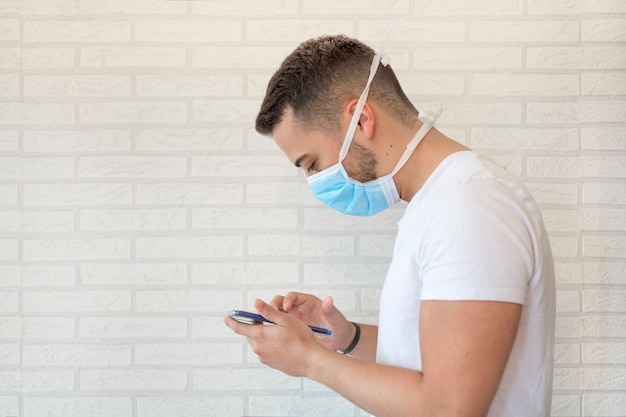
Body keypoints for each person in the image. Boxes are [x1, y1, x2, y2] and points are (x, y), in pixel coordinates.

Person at [224, 34, 556, 417]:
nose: (316, 181)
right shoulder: (438, 204)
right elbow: (436, 355)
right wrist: (347, 337)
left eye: (312, 163)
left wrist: (308, 360)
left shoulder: (471, 206)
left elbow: (449, 408)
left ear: (361, 119)